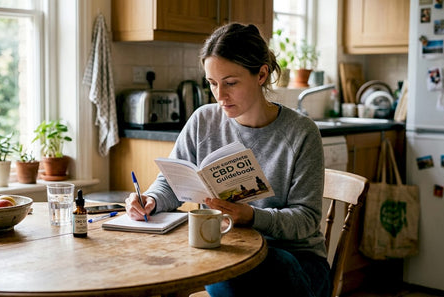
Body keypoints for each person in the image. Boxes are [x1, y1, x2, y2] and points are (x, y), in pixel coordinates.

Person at [125, 23, 330, 297]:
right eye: (212, 83)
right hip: (228, 249)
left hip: (295, 262)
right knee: (220, 263)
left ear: (261, 74)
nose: (220, 96)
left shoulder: (301, 133)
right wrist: (150, 199)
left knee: (244, 269)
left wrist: (252, 216)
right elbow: (171, 184)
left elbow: (306, 219)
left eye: (231, 83)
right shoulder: (203, 120)